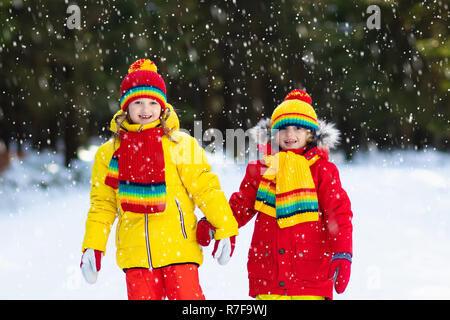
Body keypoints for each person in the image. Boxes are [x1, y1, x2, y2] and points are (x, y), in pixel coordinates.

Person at [80, 58, 238, 300]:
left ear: (162, 106)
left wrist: (225, 227)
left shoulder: (180, 144)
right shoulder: (110, 152)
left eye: (153, 102)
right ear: (126, 108)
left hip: (180, 250)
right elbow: (103, 204)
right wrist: (93, 246)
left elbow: (206, 188)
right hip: (136, 256)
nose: (146, 110)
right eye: (138, 103)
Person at [197, 89, 353, 300]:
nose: (290, 135)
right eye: (283, 129)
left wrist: (343, 252)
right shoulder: (262, 169)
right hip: (268, 275)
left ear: (311, 134)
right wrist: (216, 222)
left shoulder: (322, 171)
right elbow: (240, 206)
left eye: (298, 128)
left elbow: (339, 214)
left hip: (309, 277)